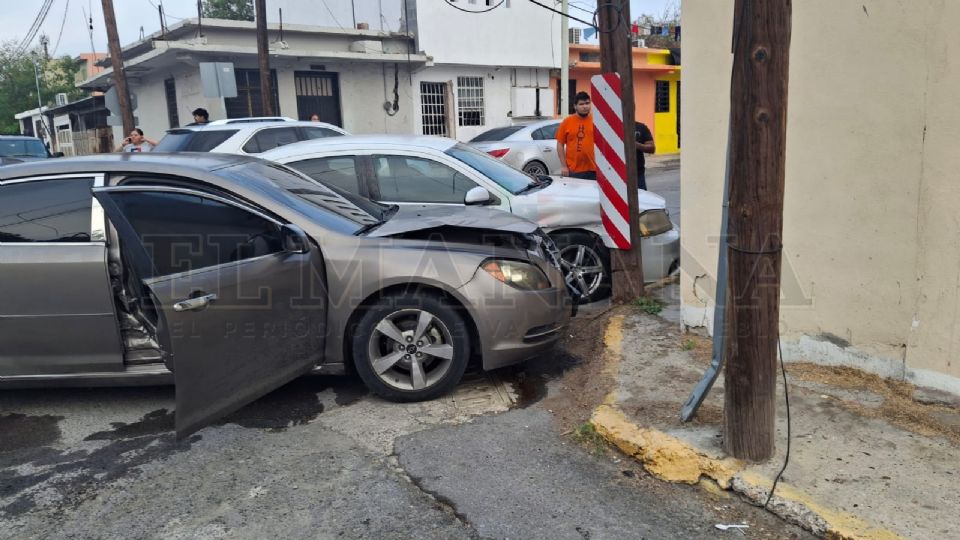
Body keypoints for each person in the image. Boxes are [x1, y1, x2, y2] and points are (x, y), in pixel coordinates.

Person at [556, 92, 596, 180]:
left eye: (587, 103)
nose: (585, 106)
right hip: (574, 171)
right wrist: (563, 166)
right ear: (575, 106)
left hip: (594, 170)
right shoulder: (567, 122)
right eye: (581, 104)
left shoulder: (596, 121)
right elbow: (560, 144)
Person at [634, 122, 656, 191]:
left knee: (641, 199)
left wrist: (636, 144)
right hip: (613, 172)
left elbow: (652, 148)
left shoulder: (641, 127)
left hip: (637, 174)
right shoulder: (610, 125)